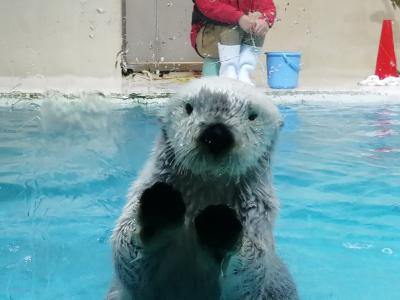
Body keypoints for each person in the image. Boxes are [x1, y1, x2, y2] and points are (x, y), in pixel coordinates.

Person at [191, 0, 276, 85]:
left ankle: (245, 72)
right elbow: (208, 5)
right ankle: (229, 74)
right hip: (208, 38)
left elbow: (268, 7)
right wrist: (239, 18)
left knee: (258, 28)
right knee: (232, 29)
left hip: (238, 34)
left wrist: (265, 19)